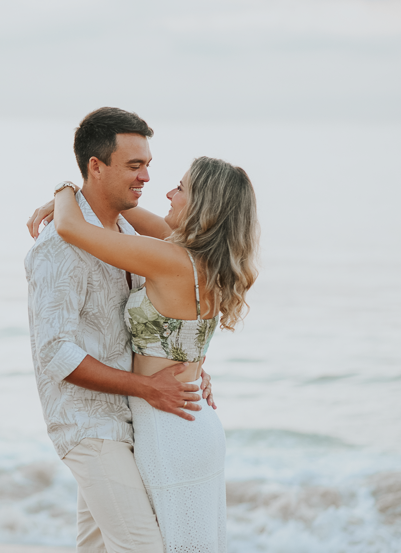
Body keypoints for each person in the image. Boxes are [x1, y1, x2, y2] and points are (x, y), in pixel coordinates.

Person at [42, 150, 259, 552]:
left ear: (202, 206)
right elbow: (125, 214)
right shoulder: (206, 262)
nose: (169, 194)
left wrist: (66, 189)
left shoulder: (170, 259)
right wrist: (86, 197)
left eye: (182, 189)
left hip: (166, 426)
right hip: (195, 422)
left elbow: (72, 228)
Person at [24, 107, 216, 553]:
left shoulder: (126, 232)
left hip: (129, 421)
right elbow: (54, 354)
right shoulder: (59, 247)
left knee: (97, 547)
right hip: (88, 424)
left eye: (147, 163)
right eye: (134, 165)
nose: (147, 176)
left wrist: (188, 366)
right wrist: (149, 387)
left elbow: (160, 317)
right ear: (97, 166)